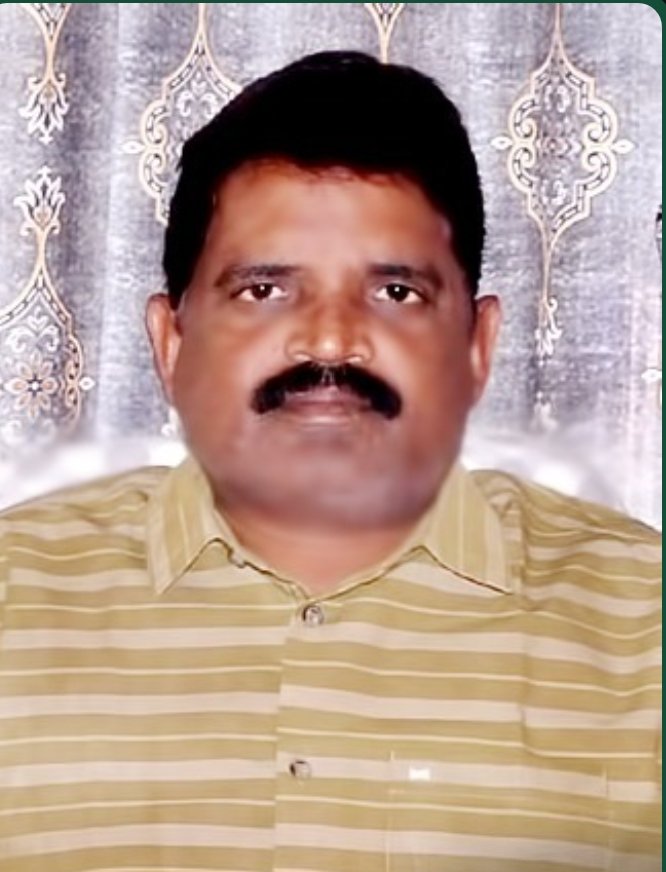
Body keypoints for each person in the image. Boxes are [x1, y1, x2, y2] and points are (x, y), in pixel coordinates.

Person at [0, 51, 660, 872]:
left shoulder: (644, 629)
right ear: (171, 344)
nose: (330, 339)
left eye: (395, 293)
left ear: (476, 346)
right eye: (264, 291)